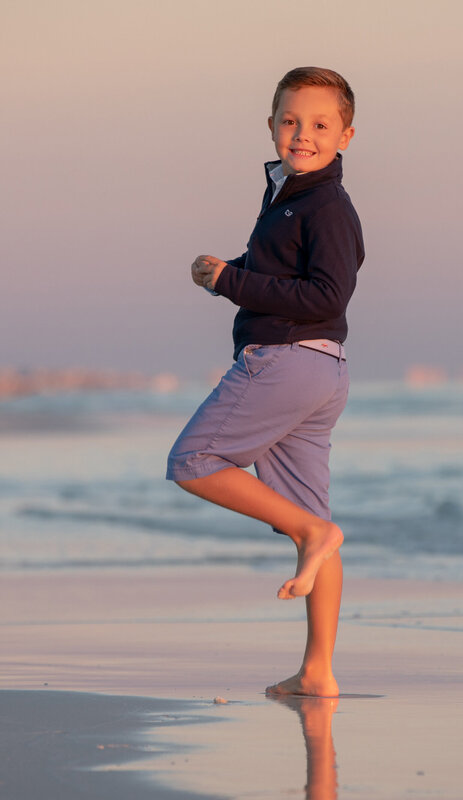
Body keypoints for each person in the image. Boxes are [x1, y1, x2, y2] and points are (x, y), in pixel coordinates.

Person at [166, 66, 363, 698]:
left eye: (320, 124)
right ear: (272, 125)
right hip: (319, 368)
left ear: (347, 136)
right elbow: (280, 271)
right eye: (290, 121)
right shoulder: (288, 196)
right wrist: (229, 269)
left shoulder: (327, 204)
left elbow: (326, 292)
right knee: (313, 516)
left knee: (193, 460)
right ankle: (318, 670)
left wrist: (231, 281)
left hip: (288, 360)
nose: (302, 134)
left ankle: (310, 535)